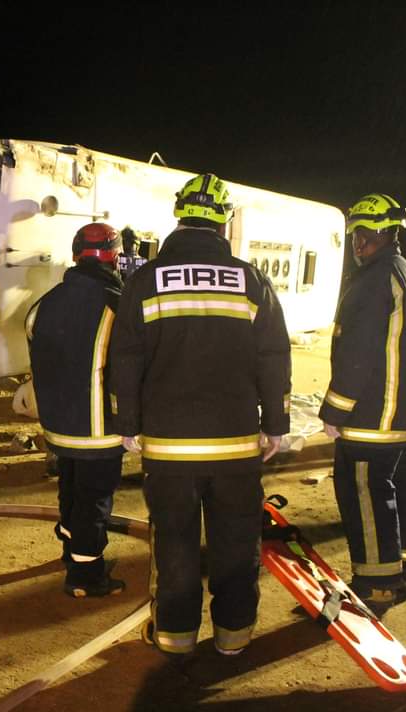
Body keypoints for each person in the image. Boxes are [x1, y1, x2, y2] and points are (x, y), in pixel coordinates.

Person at [110, 173, 290, 661]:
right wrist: (275, 423)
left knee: (176, 543)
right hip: (235, 445)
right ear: (224, 220)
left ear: (180, 216)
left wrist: (127, 424)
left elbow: (124, 357)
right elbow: (273, 356)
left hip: (169, 446)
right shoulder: (250, 280)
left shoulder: (146, 280)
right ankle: (235, 634)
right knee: (236, 540)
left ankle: (175, 636)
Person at [319, 193, 406, 613]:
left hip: (371, 414)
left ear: (385, 232)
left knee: (364, 491)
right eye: (354, 235)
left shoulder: (371, 283)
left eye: (364, 234)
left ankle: (377, 582)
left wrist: (334, 410)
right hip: (403, 412)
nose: (357, 244)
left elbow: (357, 354)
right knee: (403, 481)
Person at [29, 222, 127, 598]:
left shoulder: (47, 301)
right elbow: (127, 368)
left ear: (75, 255)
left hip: (59, 426)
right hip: (100, 428)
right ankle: (86, 575)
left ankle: (70, 551)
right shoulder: (116, 303)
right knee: (94, 498)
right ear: (115, 257)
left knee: (70, 489)